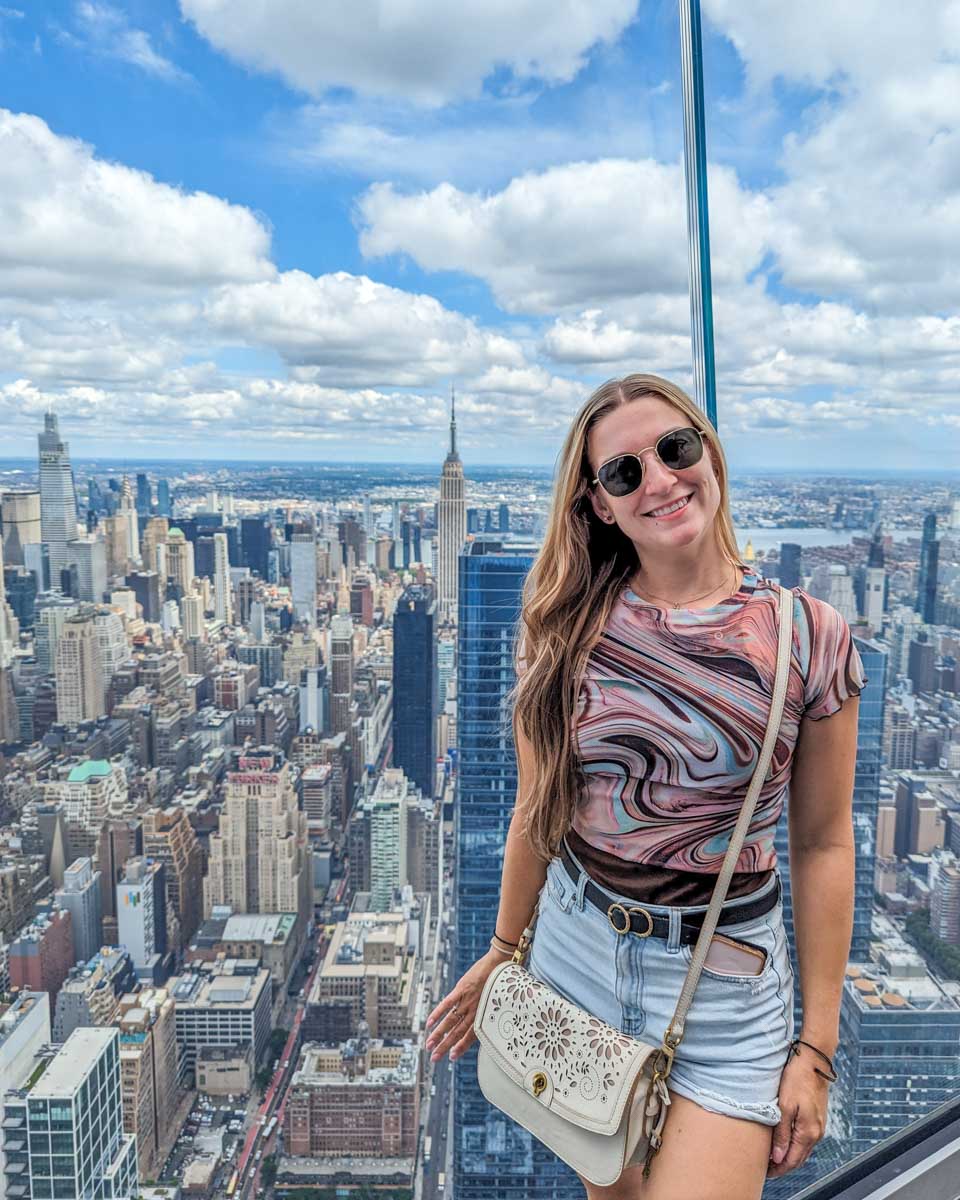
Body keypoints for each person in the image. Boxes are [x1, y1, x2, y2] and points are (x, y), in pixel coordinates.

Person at [425, 374, 865, 1200]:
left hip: (725, 986)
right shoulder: (565, 626)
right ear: (599, 505)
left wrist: (817, 1048)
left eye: (674, 449)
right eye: (624, 473)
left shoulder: (810, 635)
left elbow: (823, 843)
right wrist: (503, 950)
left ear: (710, 453)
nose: (659, 480)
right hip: (577, 955)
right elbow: (536, 809)